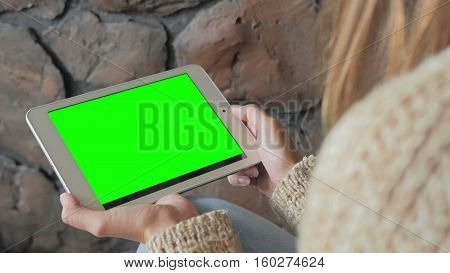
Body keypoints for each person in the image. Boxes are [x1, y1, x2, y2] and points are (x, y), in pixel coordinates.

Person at [59, 0, 450, 252]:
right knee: (205, 207)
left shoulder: (415, 131)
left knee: (169, 233)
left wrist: (170, 241)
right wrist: (290, 184)